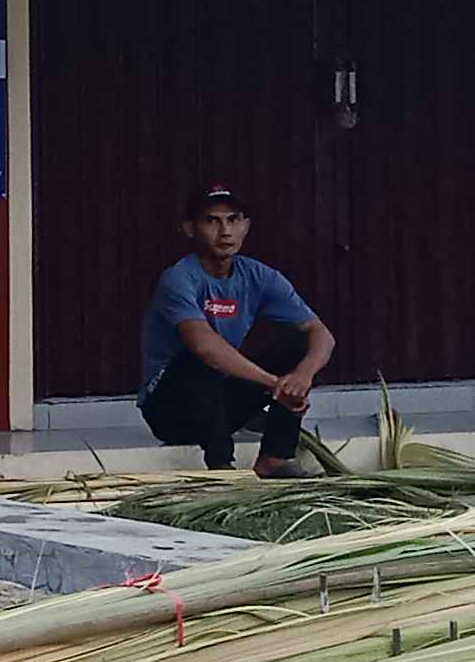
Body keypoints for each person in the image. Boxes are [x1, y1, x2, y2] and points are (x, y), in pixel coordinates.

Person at [137, 186, 333, 479]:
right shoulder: (179, 278)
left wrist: (301, 377)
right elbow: (204, 347)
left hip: (219, 403)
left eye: (233, 220)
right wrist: (275, 383)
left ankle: (275, 458)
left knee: (297, 346)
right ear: (190, 229)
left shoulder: (259, 276)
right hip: (170, 410)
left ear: (246, 226)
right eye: (212, 221)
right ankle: (222, 467)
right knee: (198, 359)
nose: (225, 231)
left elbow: (321, 334)